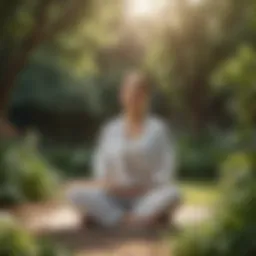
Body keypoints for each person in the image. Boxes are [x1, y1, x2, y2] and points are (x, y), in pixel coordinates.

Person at [67, 71, 181, 229]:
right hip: (113, 195)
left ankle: (109, 218)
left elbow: (167, 167)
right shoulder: (110, 129)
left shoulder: (158, 129)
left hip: (146, 195)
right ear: (122, 96)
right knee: (74, 192)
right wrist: (110, 186)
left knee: (174, 194)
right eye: (129, 93)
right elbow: (100, 164)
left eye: (138, 94)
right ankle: (133, 220)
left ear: (146, 98)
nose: (133, 98)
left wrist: (146, 188)